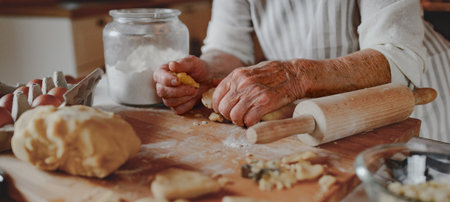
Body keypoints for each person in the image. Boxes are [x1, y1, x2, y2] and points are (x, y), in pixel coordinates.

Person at [153, 0, 450, 142]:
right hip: (320, 114)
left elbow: (396, 57)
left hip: (415, 100)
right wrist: (210, 72)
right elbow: (230, 47)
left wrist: (295, 76)